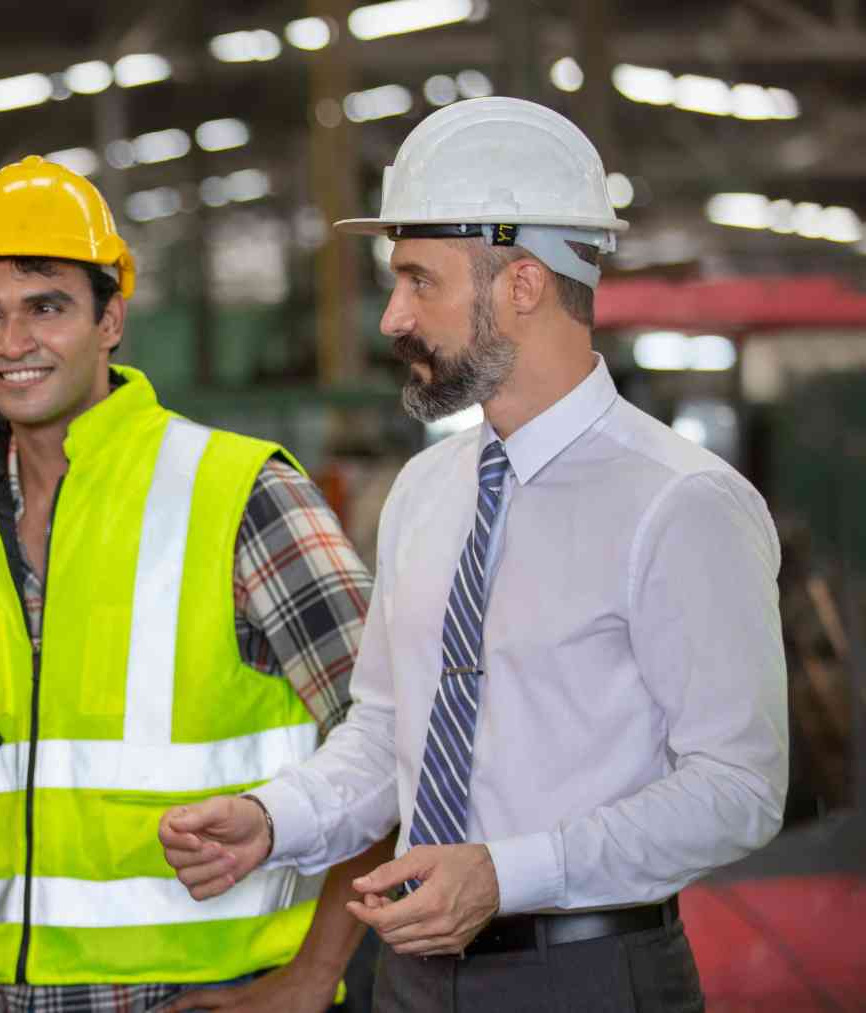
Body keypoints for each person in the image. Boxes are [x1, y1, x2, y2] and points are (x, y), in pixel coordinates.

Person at [159, 97, 788, 1011]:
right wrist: (272, 817)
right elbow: (385, 731)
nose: (392, 318)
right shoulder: (426, 492)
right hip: (412, 973)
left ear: (521, 284)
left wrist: (507, 873)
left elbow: (738, 789)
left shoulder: (681, 503)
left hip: (588, 978)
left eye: (420, 281)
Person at [0, 155, 387, 1013]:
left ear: (111, 319)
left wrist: (312, 977)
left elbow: (393, 736)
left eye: (46, 308)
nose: (12, 342)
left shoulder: (239, 491)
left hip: (207, 992)